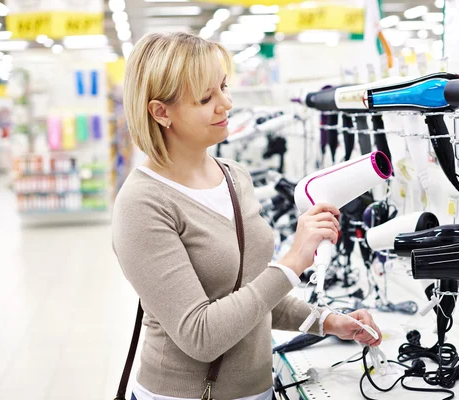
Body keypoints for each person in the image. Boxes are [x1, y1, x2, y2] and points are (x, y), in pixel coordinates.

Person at [112, 32, 382, 400]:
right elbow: (201, 335)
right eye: (206, 97)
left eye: (223, 87)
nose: (226, 103)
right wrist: (291, 263)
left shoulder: (234, 176)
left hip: (259, 391)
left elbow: (252, 294)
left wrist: (327, 321)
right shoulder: (143, 204)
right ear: (161, 112)